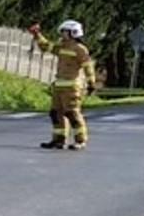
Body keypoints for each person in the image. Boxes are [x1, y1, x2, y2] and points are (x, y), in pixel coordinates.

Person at [30, 19, 97, 150]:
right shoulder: (62, 46)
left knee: (72, 113)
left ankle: (80, 141)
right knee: (55, 113)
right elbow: (46, 46)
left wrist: (91, 83)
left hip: (72, 87)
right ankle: (59, 140)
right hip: (59, 86)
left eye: (64, 32)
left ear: (73, 33)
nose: (62, 34)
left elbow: (88, 67)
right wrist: (37, 34)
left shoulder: (80, 49)